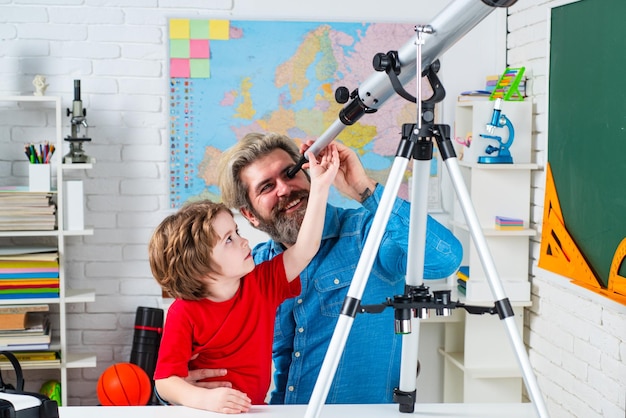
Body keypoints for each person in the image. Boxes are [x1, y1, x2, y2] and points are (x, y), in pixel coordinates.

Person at [190, 132, 463, 405]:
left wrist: (362, 188)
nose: (284, 189)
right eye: (266, 187)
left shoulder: (367, 234)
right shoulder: (254, 270)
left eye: (290, 173)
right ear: (250, 215)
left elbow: (446, 258)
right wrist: (187, 389)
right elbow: (202, 349)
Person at [148, 144, 340, 413]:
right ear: (200, 265)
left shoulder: (261, 283)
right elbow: (165, 381)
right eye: (229, 239)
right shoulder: (183, 312)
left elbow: (305, 249)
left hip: (253, 410)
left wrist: (320, 187)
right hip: (204, 412)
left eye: (236, 231)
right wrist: (203, 400)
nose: (244, 241)